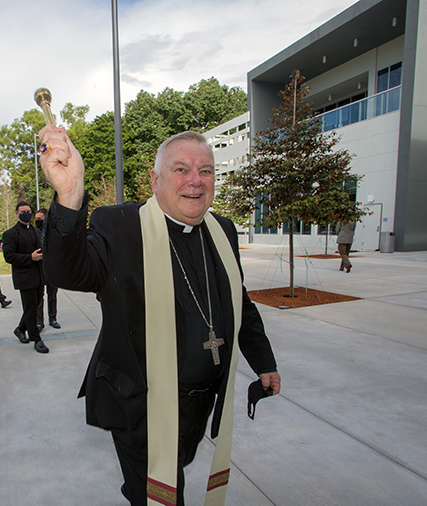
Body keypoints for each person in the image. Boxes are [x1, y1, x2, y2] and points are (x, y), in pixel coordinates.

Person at [39, 126, 280, 506]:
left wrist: (263, 361)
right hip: (140, 405)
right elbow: (66, 272)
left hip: (197, 404)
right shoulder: (119, 225)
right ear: (155, 180)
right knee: (163, 496)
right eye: (181, 170)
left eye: (207, 171)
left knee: (170, 473)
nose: (196, 182)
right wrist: (70, 195)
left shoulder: (223, 230)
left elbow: (238, 301)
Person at [2, 202, 49, 354]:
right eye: (23, 211)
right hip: (25, 277)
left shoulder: (36, 231)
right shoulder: (10, 234)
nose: (26, 214)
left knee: (33, 307)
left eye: (29, 211)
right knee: (30, 308)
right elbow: (9, 256)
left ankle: (20, 329)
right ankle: (36, 339)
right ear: (16, 213)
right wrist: (30, 257)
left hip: (39, 275)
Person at [34, 208, 60, 330]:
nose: (37, 221)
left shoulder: (53, 232)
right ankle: (39, 321)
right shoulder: (33, 232)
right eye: (36, 219)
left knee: (52, 295)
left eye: (40, 219)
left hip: (52, 268)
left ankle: (53, 318)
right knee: (39, 296)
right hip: (39, 268)